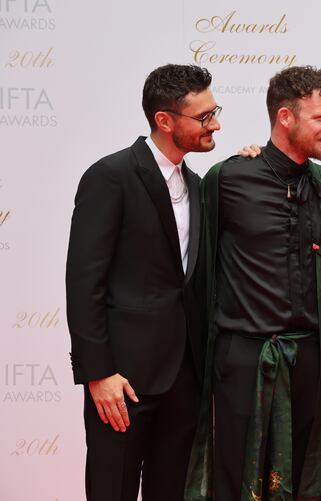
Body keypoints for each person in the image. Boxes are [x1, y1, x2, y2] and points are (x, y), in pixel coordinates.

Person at [185, 65, 321, 501]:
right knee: (234, 483)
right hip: (240, 361)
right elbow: (194, 267)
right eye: (320, 118)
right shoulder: (226, 180)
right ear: (285, 118)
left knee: (305, 485)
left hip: (310, 362)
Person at [65, 64, 220, 500]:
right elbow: (83, 281)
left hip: (184, 380)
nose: (216, 123)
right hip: (123, 381)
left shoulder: (200, 184)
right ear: (165, 120)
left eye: (214, 112)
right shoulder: (110, 176)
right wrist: (98, 373)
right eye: (204, 117)